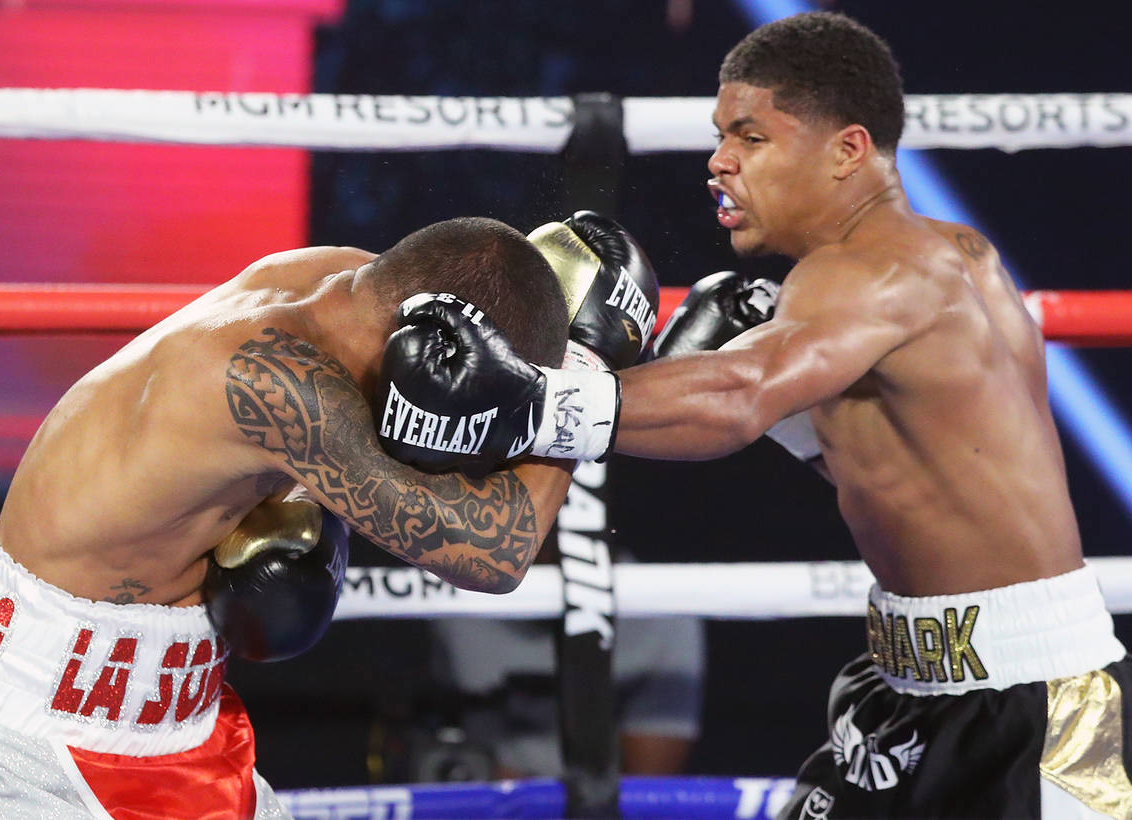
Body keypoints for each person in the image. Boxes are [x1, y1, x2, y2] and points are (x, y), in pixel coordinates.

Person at [378, 13, 1132, 818]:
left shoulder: (874, 270)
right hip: (910, 685)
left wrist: (526, 401)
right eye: (718, 135)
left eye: (752, 137)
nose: (719, 161)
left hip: (1029, 705)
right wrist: (778, 417)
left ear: (848, 150)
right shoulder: (947, 258)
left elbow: (737, 399)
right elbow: (917, 468)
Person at [0, 215, 635, 819]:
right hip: (49, 740)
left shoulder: (348, 285)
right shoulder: (268, 376)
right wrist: (583, 378)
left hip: (175, 718)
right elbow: (495, 552)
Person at [425, 543, 705, 781]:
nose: (537, 532)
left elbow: (643, 792)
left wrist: (524, 798)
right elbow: (425, 737)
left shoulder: (661, 613)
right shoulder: (448, 596)